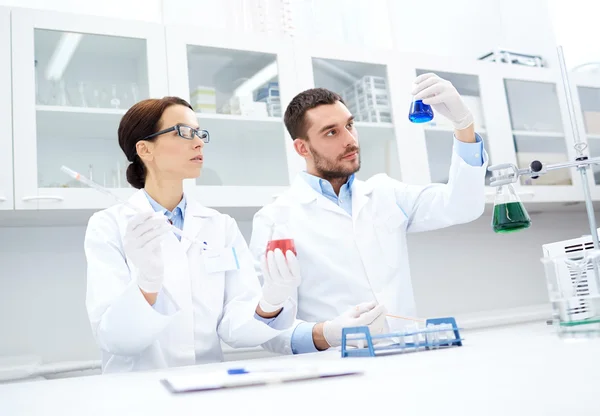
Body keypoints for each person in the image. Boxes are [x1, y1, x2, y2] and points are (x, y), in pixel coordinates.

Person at [249, 73, 488, 354]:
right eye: (331, 132)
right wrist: (327, 334)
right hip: (336, 373)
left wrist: (464, 125)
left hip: (406, 359)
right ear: (303, 147)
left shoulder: (385, 194)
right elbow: (266, 332)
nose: (350, 140)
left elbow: (463, 205)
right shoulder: (276, 219)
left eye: (350, 125)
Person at [84, 97, 300, 373]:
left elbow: (235, 331)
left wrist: (271, 300)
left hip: (206, 386)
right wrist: (146, 286)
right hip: (138, 393)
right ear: (144, 149)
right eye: (183, 132)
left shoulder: (221, 226)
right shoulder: (109, 226)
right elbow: (114, 339)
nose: (198, 142)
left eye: (199, 133)